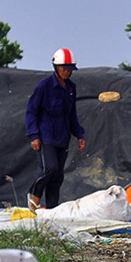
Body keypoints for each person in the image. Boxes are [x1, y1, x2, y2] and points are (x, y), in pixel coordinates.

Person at [25, 48, 86, 211]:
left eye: (69, 69)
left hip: (63, 137)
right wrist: (33, 135)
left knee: (57, 175)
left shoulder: (71, 88)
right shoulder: (44, 86)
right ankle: (34, 193)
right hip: (46, 136)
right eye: (63, 68)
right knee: (50, 168)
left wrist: (79, 134)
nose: (67, 72)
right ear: (56, 67)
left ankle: (52, 209)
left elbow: (72, 114)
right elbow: (31, 111)